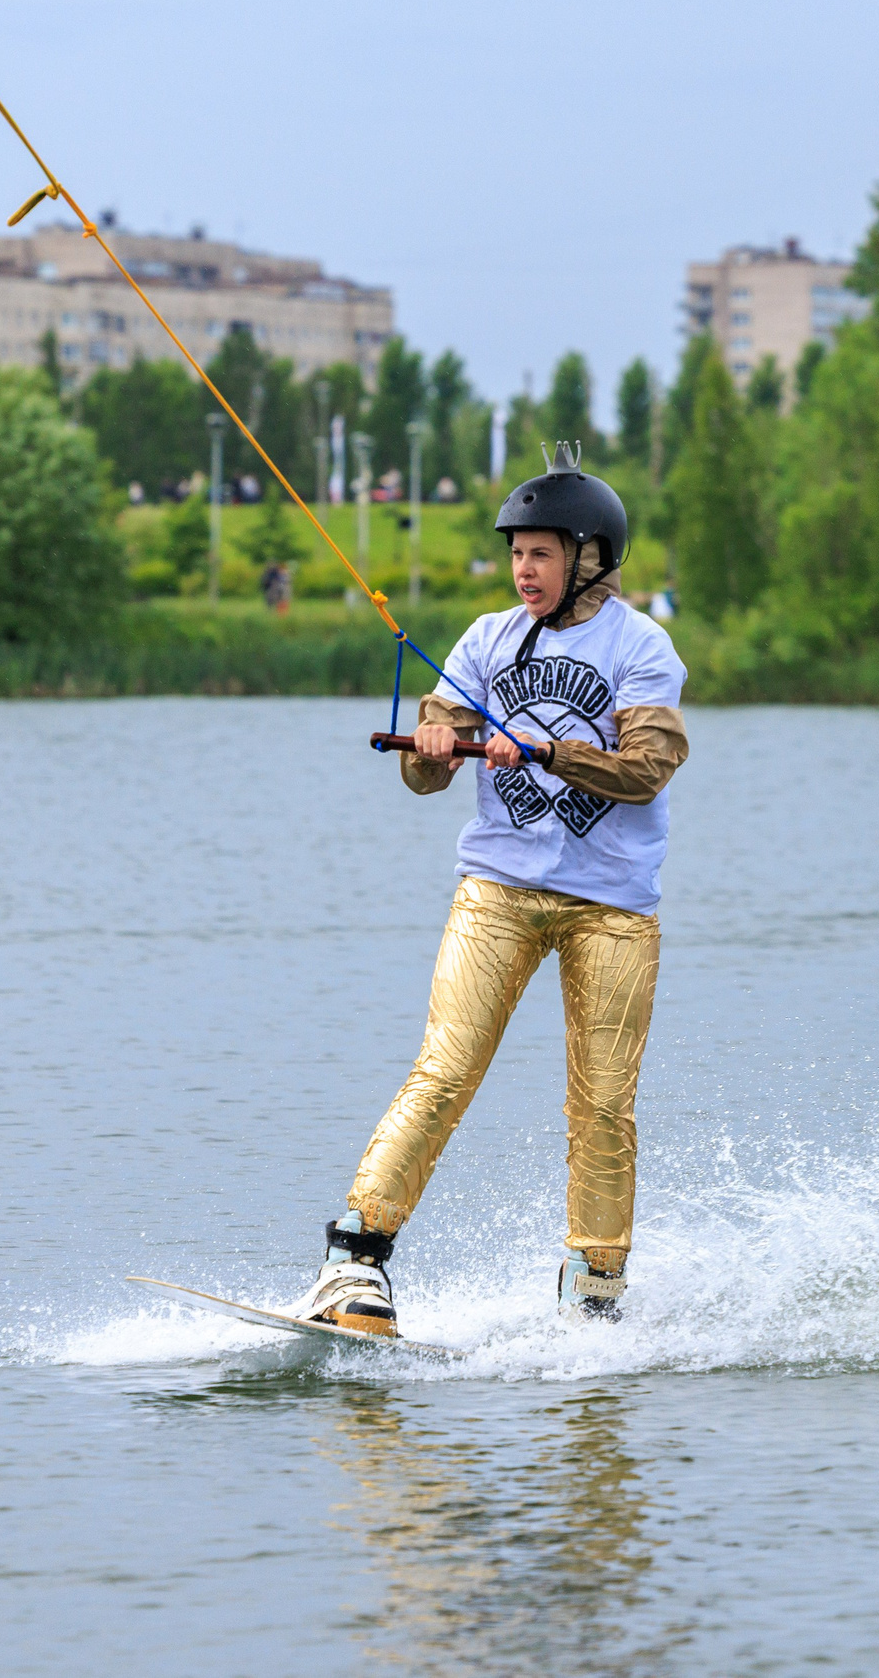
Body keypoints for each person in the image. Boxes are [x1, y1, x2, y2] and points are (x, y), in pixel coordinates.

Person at [296, 444, 687, 1337]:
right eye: (515, 553)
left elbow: (649, 768)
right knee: (445, 1071)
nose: (523, 570)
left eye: (541, 553)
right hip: (498, 892)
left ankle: (594, 1287)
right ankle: (355, 1263)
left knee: (601, 1102)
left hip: (614, 907)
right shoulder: (484, 639)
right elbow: (426, 772)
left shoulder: (641, 647)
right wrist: (435, 746)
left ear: (590, 558)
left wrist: (547, 749)